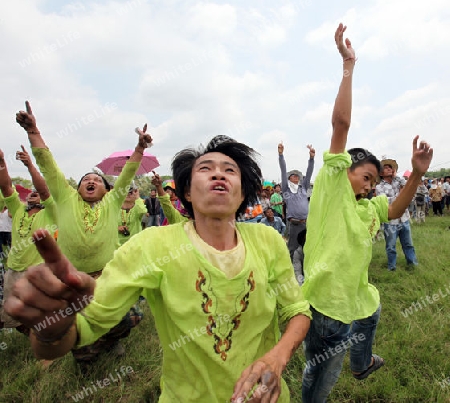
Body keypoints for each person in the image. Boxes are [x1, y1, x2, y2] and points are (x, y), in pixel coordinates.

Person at [5, 135, 311, 403]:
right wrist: (51, 328)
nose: (219, 174)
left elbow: (297, 310)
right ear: (187, 193)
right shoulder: (151, 246)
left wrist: (278, 357)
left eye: (230, 170)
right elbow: (80, 331)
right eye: (205, 169)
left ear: (243, 193)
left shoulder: (268, 240)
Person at [301, 23, 433, 402]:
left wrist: (418, 175)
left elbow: (394, 209)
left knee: (371, 311)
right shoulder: (333, 185)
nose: (371, 185)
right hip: (327, 304)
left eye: (375, 180)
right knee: (320, 377)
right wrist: (348, 65)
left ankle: (361, 365)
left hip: (355, 295)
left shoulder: (370, 205)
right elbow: (341, 124)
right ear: (347, 169)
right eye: (366, 176)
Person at [15, 100, 152, 364]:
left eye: (97, 180)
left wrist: (140, 147)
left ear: (107, 190)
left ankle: (110, 341)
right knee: (79, 342)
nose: (91, 181)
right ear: (77, 188)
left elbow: (128, 174)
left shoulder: (113, 203)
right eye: (86, 180)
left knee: (131, 316)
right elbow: (48, 166)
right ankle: (86, 353)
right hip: (71, 280)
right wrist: (33, 131)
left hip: (105, 275)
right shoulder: (65, 199)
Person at [0, 146, 57, 331]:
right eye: (32, 191)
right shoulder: (17, 209)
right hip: (13, 270)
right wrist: (2, 163)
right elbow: (6, 186)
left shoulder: (51, 213)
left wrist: (29, 165)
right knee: (14, 316)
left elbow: (45, 189)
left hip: (37, 272)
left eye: (37, 191)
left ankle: (48, 345)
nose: (34, 191)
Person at [375, 159, 418, 271]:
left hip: (404, 218)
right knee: (391, 246)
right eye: (386, 167)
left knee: (408, 244)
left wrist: (397, 177)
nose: (389, 168)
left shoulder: (398, 181)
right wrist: (401, 197)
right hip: (390, 222)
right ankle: (392, 267)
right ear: (381, 173)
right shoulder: (379, 187)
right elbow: (386, 202)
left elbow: (408, 187)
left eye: (390, 167)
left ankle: (412, 264)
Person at [278, 142, 315, 260]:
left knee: (306, 246)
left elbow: (309, 173)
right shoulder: (286, 190)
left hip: (305, 223)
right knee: (292, 248)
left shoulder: (303, 188)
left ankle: (304, 268)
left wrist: (312, 158)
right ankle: (288, 269)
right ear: (289, 179)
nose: (296, 177)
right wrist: (281, 155)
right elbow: (283, 172)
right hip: (294, 224)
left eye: (297, 176)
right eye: (293, 176)